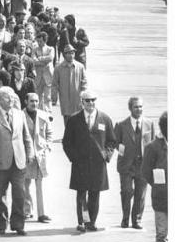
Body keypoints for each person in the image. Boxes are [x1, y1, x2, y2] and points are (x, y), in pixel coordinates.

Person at [0, 86, 34, 236]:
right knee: (0, 196)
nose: (10, 100)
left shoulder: (19, 115)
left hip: (18, 161)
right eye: (6, 97)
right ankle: (1, 225)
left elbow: (26, 137)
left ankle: (18, 224)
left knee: (20, 194)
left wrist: (30, 153)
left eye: (12, 97)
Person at [62, 90, 116, 232]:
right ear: (82, 102)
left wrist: (106, 155)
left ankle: (91, 222)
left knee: (94, 194)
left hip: (98, 164)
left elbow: (112, 141)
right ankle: (83, 221)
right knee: (81, 194)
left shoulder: (105, 118)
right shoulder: (74, 120)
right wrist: (74, 158)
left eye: (93, 100)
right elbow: (66, 142)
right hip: (81, 164)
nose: (91, 103)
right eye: (87, 100)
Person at [114, 97, 156, 229]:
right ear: (130, 108)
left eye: (141, 106)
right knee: (126, 192)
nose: (139, 109)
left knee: (141, 194)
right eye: (136, 107)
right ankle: (125, 219)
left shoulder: (149, 124)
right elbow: (116, 143)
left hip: (143, 165)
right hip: (126, 165)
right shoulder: (121, 125)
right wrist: (124, 153)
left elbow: (153, 143)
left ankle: (136, 219)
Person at [142, 111, 167, 242]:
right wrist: (158, 185)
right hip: (162, 198)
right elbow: (145, 172)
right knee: (161, 234)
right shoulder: (153, 147)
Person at [23, 93, 53, 222]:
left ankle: (42, 213)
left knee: (40, 185)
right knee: (25, 184)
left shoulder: (43, 115)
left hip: (40, 154)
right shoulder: (20, 116)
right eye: (31, 101)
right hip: (25, 155)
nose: (34, 104)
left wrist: (48, 145)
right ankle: (27, 210)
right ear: (26, 102)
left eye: (36, 101)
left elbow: (49, 133)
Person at [52, 44, 87, 124]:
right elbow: (54, 84)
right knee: (67, 122)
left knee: (79, 121)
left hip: (77, 99)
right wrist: (54, 97)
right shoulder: (58, 68)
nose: (71, 55)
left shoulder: (80, 67)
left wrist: (83, 93)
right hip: (65, 99)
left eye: (72, 53)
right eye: (68, 53)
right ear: (64, 55)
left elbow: (84, 82)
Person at [31, 32, 54, 112]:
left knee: (48, 97)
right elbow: (33, 61)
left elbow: (50, 58)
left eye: (41, 41)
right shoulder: (34, 49)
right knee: (38, 96)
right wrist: (44, 61)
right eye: (38, 41)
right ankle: (38, 113)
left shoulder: (51, 49)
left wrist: (39, 58)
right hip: (38, 76)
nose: (39, 43)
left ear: (45, 41)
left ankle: (48, 113)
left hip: (48, 76)